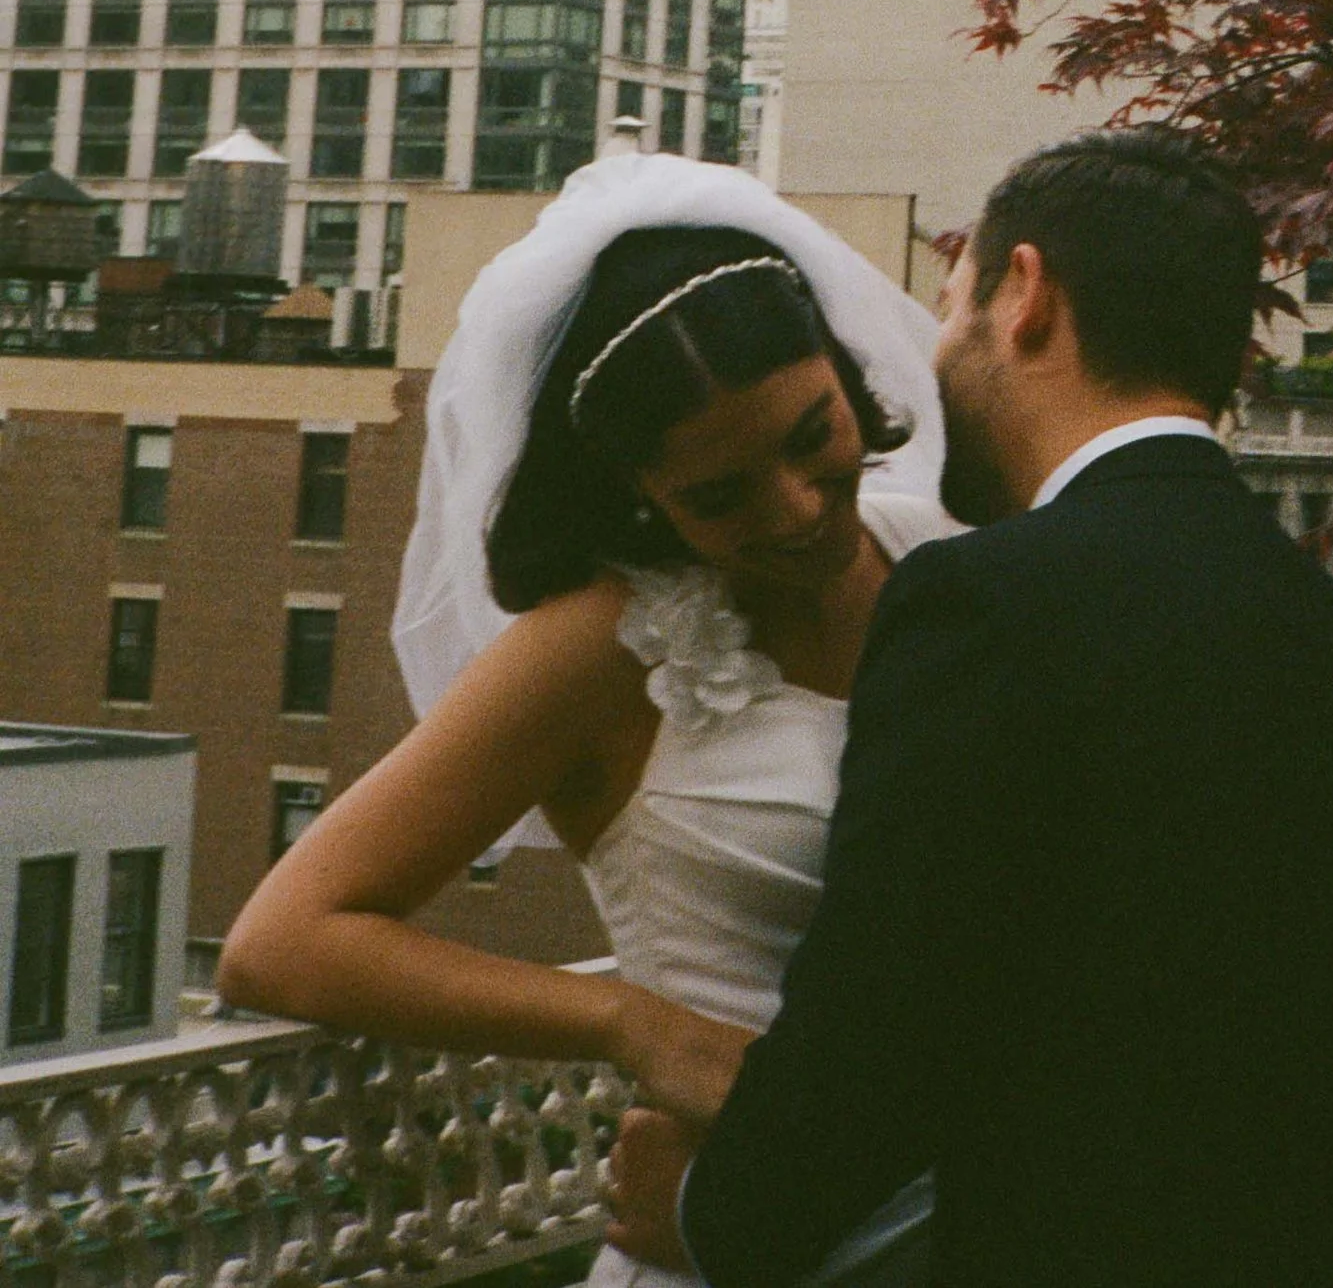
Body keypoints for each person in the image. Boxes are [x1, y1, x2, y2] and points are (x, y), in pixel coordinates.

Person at [626, 127, 1333, 1288]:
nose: (937, 353)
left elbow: (881, 1022)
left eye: (950, 306)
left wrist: (709, 1213)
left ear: (1026, 294)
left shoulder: (979, 605)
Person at [217, 151, 952, 1288]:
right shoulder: (600, 645)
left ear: (851, 383)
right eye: (719, 493)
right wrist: (631, 1022)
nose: (797, 507)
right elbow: (282, 940)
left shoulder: (943, 558)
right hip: (716, 1225)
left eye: (815, 435)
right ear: (639, 496)